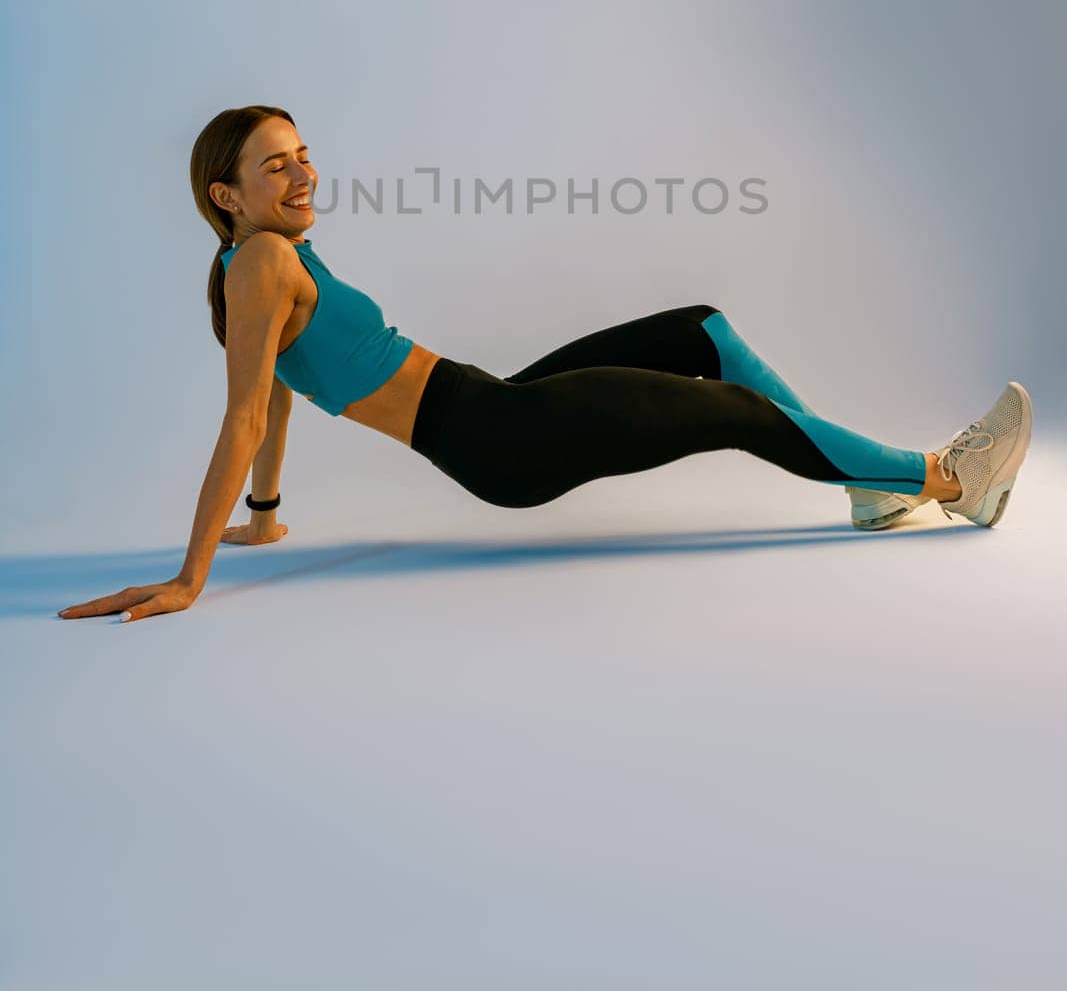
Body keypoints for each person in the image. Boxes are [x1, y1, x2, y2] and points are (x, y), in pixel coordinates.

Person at [58, 105, 1034, 624]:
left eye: (305, 152)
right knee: (735, 409)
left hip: (491, 405)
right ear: (227, 194)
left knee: (698, 331)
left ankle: (861, 485)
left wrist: (265, 518)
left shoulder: (264, 261)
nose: (305, 172)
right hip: (499, 441)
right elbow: (243, 414)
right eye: (278, 165)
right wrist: (188, 578)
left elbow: (273, 390)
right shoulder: (262, 261)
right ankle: (948, 480)